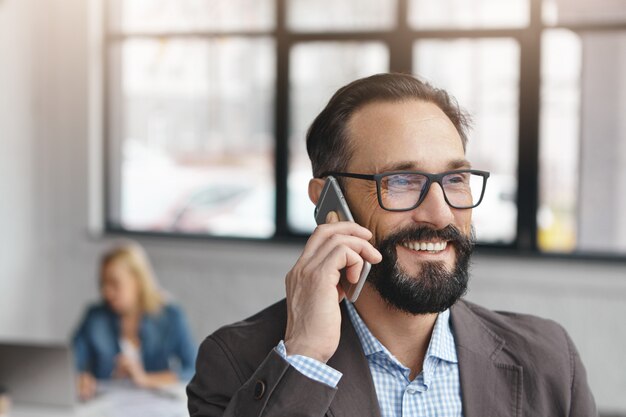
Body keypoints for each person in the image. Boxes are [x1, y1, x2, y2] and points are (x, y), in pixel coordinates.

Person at [187, 73, 597, 416]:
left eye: (455, 180)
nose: (439, 215)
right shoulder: (235, 363)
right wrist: (305, 357)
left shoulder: (549, 359)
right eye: (401, 181)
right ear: (328, 202)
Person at [73, 242, 197, 400]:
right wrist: (80, 378)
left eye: (114, 283)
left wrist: (145, 379)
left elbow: (193, 370)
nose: (107, 291)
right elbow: (70, 363)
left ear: (138, 281)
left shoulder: (170, 316)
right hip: (105, 406)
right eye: (103, 283)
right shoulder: (95, 317)